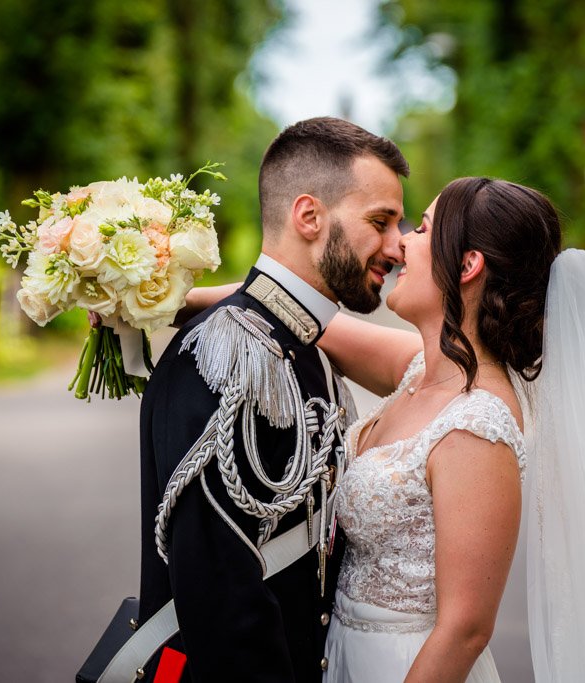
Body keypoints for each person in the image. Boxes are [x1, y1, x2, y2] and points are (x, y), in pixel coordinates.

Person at [189, 177, 585, 682]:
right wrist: (165, 296)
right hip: (341, 654)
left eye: (420, 229)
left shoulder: (477, 425)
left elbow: (465, 629)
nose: (399, 247)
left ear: (467, 265)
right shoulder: (420, 370)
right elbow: (291, 309)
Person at [138, 116, 409, 682]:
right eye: (380, 222)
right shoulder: (223, 353)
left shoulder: (304, 343)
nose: (397, 247)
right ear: (309, 216)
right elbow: (222, 603)